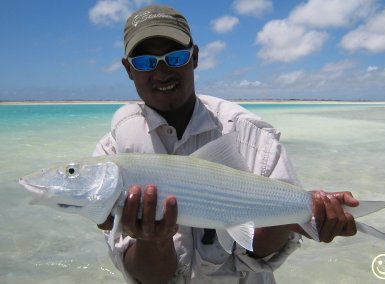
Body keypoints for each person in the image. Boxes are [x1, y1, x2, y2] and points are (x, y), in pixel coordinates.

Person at [93, 5, 359, 284]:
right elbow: (148, 277)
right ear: (128, 69)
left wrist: (299, 215)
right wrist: (153, 241)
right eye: (146, 62)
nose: (161, 72)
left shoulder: (251, 136)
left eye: (176, 57)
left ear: (194, 57)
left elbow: (258, 255)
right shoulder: (112, 155)